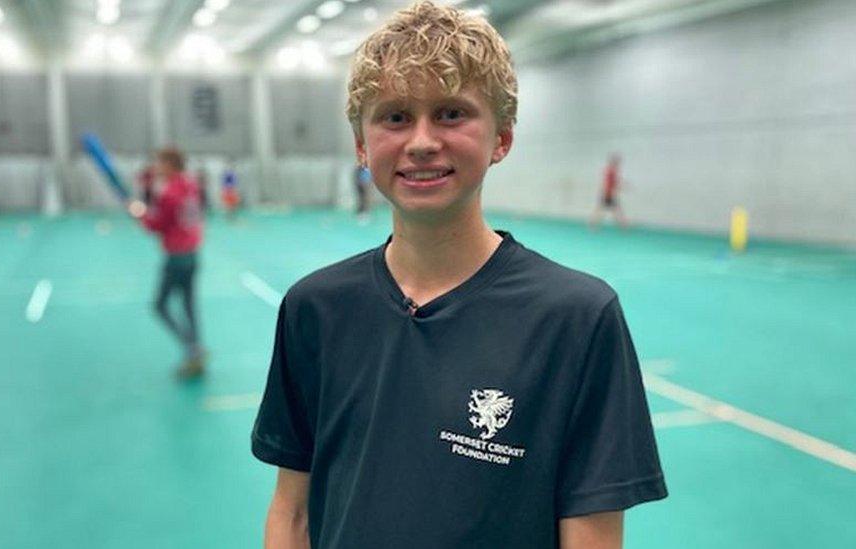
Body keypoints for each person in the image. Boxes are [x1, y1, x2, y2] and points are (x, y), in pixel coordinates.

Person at [251, 3, 667, 548]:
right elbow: (292, 513)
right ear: (361, 145)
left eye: (450, 114)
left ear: (502, 139)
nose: (422, 142)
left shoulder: (576, 318)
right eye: (395, 116)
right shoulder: (315, 308)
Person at [128, 147, 205, 379]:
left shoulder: (170, 194)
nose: (157, 167)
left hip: (177, 257)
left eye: (161, 163)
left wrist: (139, 213)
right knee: (189, 305)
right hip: (192, 253)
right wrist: (149, 183)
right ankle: (195, 350)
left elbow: (157, 225)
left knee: (160, 305)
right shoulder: (190, 185)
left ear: (171, 165)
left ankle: (192, 349)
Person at [589, 153, 629, 229]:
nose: (618, 164)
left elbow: (614, 183)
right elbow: (612, 183)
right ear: (614, 162)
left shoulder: (612, 171)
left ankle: (623, 224)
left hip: (609, 193)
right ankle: (624, 225)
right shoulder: (611, 172)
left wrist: (620, 186)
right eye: (617, 162)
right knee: (610, 209)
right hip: (608, 194)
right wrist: (621, 187)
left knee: (613, 209)